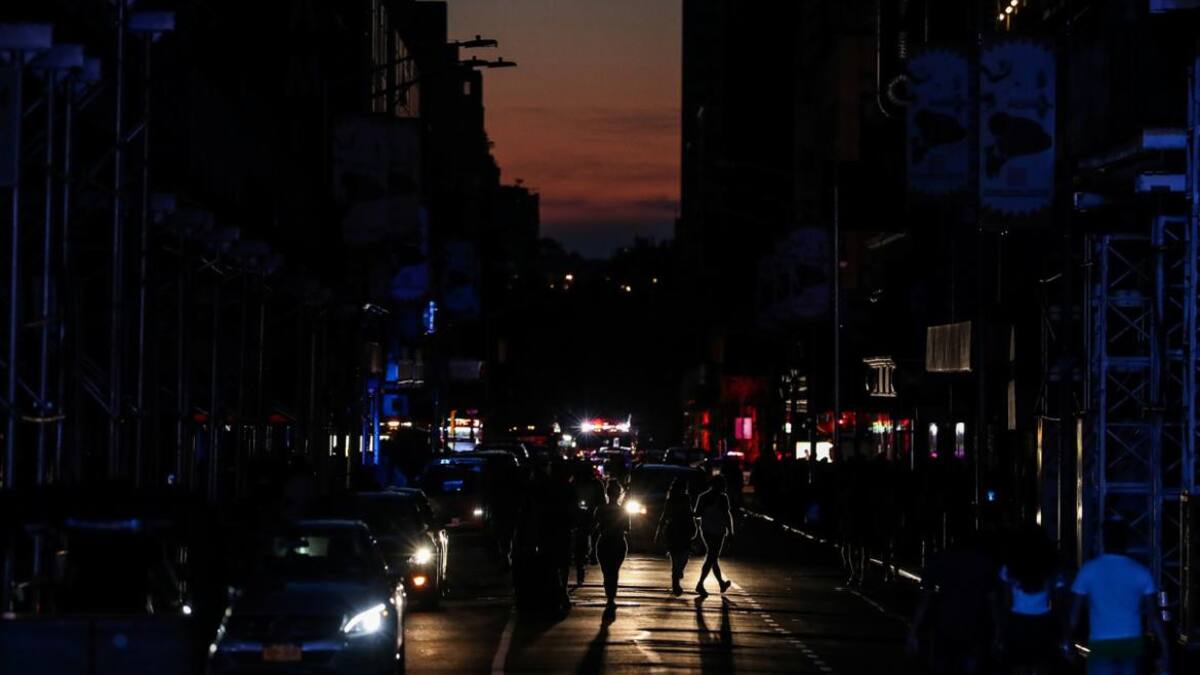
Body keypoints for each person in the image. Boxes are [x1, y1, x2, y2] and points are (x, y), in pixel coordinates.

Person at [1065, 521, 1169, 675]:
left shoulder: (1088, 570)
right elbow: (1154, 615)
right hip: (1132, 644)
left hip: (1101, 644)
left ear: (1103, 540)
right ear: (1126, 542)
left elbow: (1074, 614)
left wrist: (1067, 641)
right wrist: (1165, 649)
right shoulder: (1141, 571)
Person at [906, 530, 999, 675]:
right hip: (975, 624)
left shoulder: (940, 559)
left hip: (945, 623)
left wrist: (914, 631)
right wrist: (998, 632)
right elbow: (992, 600)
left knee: (943, 664)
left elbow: (925, 599)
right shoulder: (985, 562)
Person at [994, 525, 1063, 675]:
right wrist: (1061, 631)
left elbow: (1006, 602)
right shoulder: (1051, 568)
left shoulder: (1010, 567)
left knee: (1019, 666)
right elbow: (1058, 603)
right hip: (1043, 621)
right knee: (1043, 665)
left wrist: (1000, 632)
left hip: (1017, 622)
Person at [693, 475, 734, 596]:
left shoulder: (704, 497)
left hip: (708, 530)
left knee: (713, 558)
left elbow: (697, 514)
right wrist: (730, 531)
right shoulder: (722, 498)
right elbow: (727, 515)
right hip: (717, 531)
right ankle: (700, 584)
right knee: (712, 556)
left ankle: (721, 583)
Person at [655, 478, 696, 596]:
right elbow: (665, 516)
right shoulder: (674, 500)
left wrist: (658, 532)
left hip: (680, 530)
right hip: (677, 530)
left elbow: (665, 516)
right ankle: (676, 582)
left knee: (681, 556)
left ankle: (677, 575)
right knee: (679, 556)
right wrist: (658, 531)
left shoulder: (683, 499)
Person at [593, 480, 630, 606]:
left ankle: (609, 595)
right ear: (618, 494)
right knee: (614, 571)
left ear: (607, 493)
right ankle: (611, 597)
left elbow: (594, 526)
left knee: (607, 572)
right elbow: (627, 528)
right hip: (618, 542)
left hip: (604, 542)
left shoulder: (600, 509)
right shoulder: (623, 511)